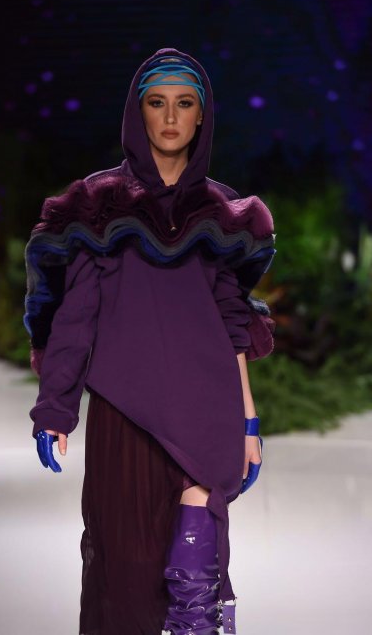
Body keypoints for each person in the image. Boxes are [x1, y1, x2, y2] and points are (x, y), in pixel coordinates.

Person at [24, 47, 276, 635]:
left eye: (184, 103)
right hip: (127, 416)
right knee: (126, 577)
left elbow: (232, 325)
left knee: (194, 587)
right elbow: (75, 319)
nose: (170, 117)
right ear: (137, 113)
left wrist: (248, 422)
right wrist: (55, 409)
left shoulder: (220, 212)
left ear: (201, 116)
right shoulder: (98, 206)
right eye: (157, 103)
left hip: (206, 411)